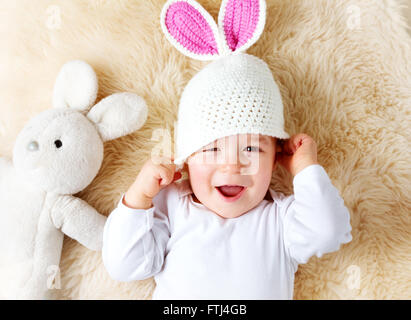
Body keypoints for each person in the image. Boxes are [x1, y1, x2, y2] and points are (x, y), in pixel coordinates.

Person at [102, 0, 352, 299]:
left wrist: (305, 170)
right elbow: (124, 266)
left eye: (251, 148)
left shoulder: (281, 221)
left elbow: (329, 231)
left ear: (275, 159)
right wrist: (138, 199)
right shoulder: (172, 206)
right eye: (211, 150)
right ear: (188, 159)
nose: (232, 166)